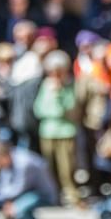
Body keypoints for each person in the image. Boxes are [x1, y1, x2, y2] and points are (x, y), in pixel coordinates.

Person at [33, 50, 78, 206]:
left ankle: (72, 195)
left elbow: (70, 108)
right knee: (49, 167)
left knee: (67, 168)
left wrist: (58, 96)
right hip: (48, 132)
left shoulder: (70, 85)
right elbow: (39, 109)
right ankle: (53, 195)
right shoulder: (46, 86)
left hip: (66, 131)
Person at [0, 140, 57, 219]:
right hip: (27, 191)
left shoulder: (24, 163)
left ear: (3, 156)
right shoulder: (9, 158)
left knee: (17, 211)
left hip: (43, 195)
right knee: (7, 205)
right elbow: (5, 184)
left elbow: (18, 188)